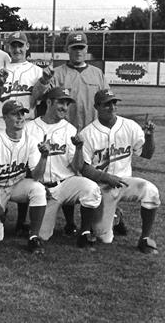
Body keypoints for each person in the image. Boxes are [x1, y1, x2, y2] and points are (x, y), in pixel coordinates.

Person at [31, 31, 109, 236]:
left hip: (92, 131)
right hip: (64, 129)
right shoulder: (58, 73)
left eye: (81, 47)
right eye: (74, 48)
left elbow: (105, 101)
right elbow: (39, 98)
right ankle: (69, 222)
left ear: (86, 50)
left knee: (95, 175)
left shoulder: (97, 74)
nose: (78, 51)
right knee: (67, 172)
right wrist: (43, 80)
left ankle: (107, 217)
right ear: (67, 50)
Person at [80, 89, 160, 254]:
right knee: (104, 238)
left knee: (151, 191)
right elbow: (83, 167)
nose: (112, 107)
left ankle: (145, 239)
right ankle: (115, 217)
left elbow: (147, 154)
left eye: (114, 103)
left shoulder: (129, 126)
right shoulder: (87, 133)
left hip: (125, 183)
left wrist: (150, 136)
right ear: (96, 106)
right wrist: (106, 177)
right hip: (101, 188)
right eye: (107, 104)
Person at [26, 87, 102, 248]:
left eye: (67, 104)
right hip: (42, 188)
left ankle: (85, 233)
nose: (65, 108)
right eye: (61, 102)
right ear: (48, 102)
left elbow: (77, 167)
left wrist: (80, 149)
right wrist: (38, 186)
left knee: (91, 188)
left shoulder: (70, 129)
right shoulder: (30, 128)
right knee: (42, 236)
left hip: (65, 184)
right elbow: (28, 168)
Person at [0, 100, 48, 254]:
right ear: (5, 118)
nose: (20, 117)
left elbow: (37, 176)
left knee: (38, 189)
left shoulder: (31, 141)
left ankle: (34, 237)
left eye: (22, 113)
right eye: (15, 114)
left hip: (17, 185)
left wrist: (44, 157)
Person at [0, 31, 42, 133]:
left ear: (27, 46)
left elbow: (42, 100)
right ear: (8, 48)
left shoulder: (37, 71)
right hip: (2, 123)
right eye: (13, 46)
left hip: (26, 122)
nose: (17, 50)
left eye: (20, 46)